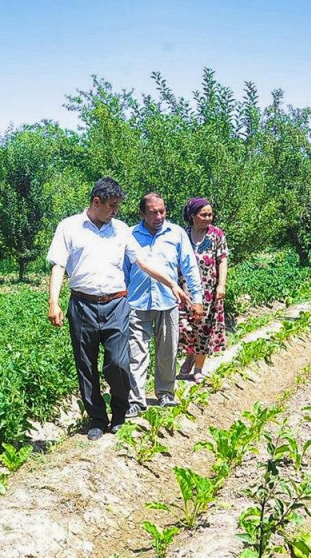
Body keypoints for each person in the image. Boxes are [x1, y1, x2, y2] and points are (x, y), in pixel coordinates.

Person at [47, 178, 193, 441]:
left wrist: (171, 283)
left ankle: (119, 413)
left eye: (118, 206)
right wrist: (54, 302)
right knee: (86, 365)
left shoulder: (122, 230)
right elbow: (58, 265)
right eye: (112, 206)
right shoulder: (69, 227)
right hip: (81, 305)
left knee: (118, 362)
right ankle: (97, 419)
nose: (115, 211)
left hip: (116, 304)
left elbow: (142, 261)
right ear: (96, 202)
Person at [123, 192, 205, 415]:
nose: (159, 216)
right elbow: (124, 271)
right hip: (136, 303)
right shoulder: (129, 235)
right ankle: (136, 400)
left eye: (162, 211)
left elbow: (190, 268)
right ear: (141, 213)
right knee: (135, 353)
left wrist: (197, 299)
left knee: (167, 351)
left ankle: (166, 394)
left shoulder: (177, 234)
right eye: (152, 212)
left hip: (168, 302)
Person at [178, 197, 229, 383]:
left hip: (209, 291)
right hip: (185, 289)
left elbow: (222, 259)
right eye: (203, 214)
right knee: (184, 327)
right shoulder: (182, 234)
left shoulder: (216, 234)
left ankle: (198, 367)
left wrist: (221, 285)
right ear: (192, 216)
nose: (208, 218)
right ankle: (190, 355)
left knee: (204, 329)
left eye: (210, 214)